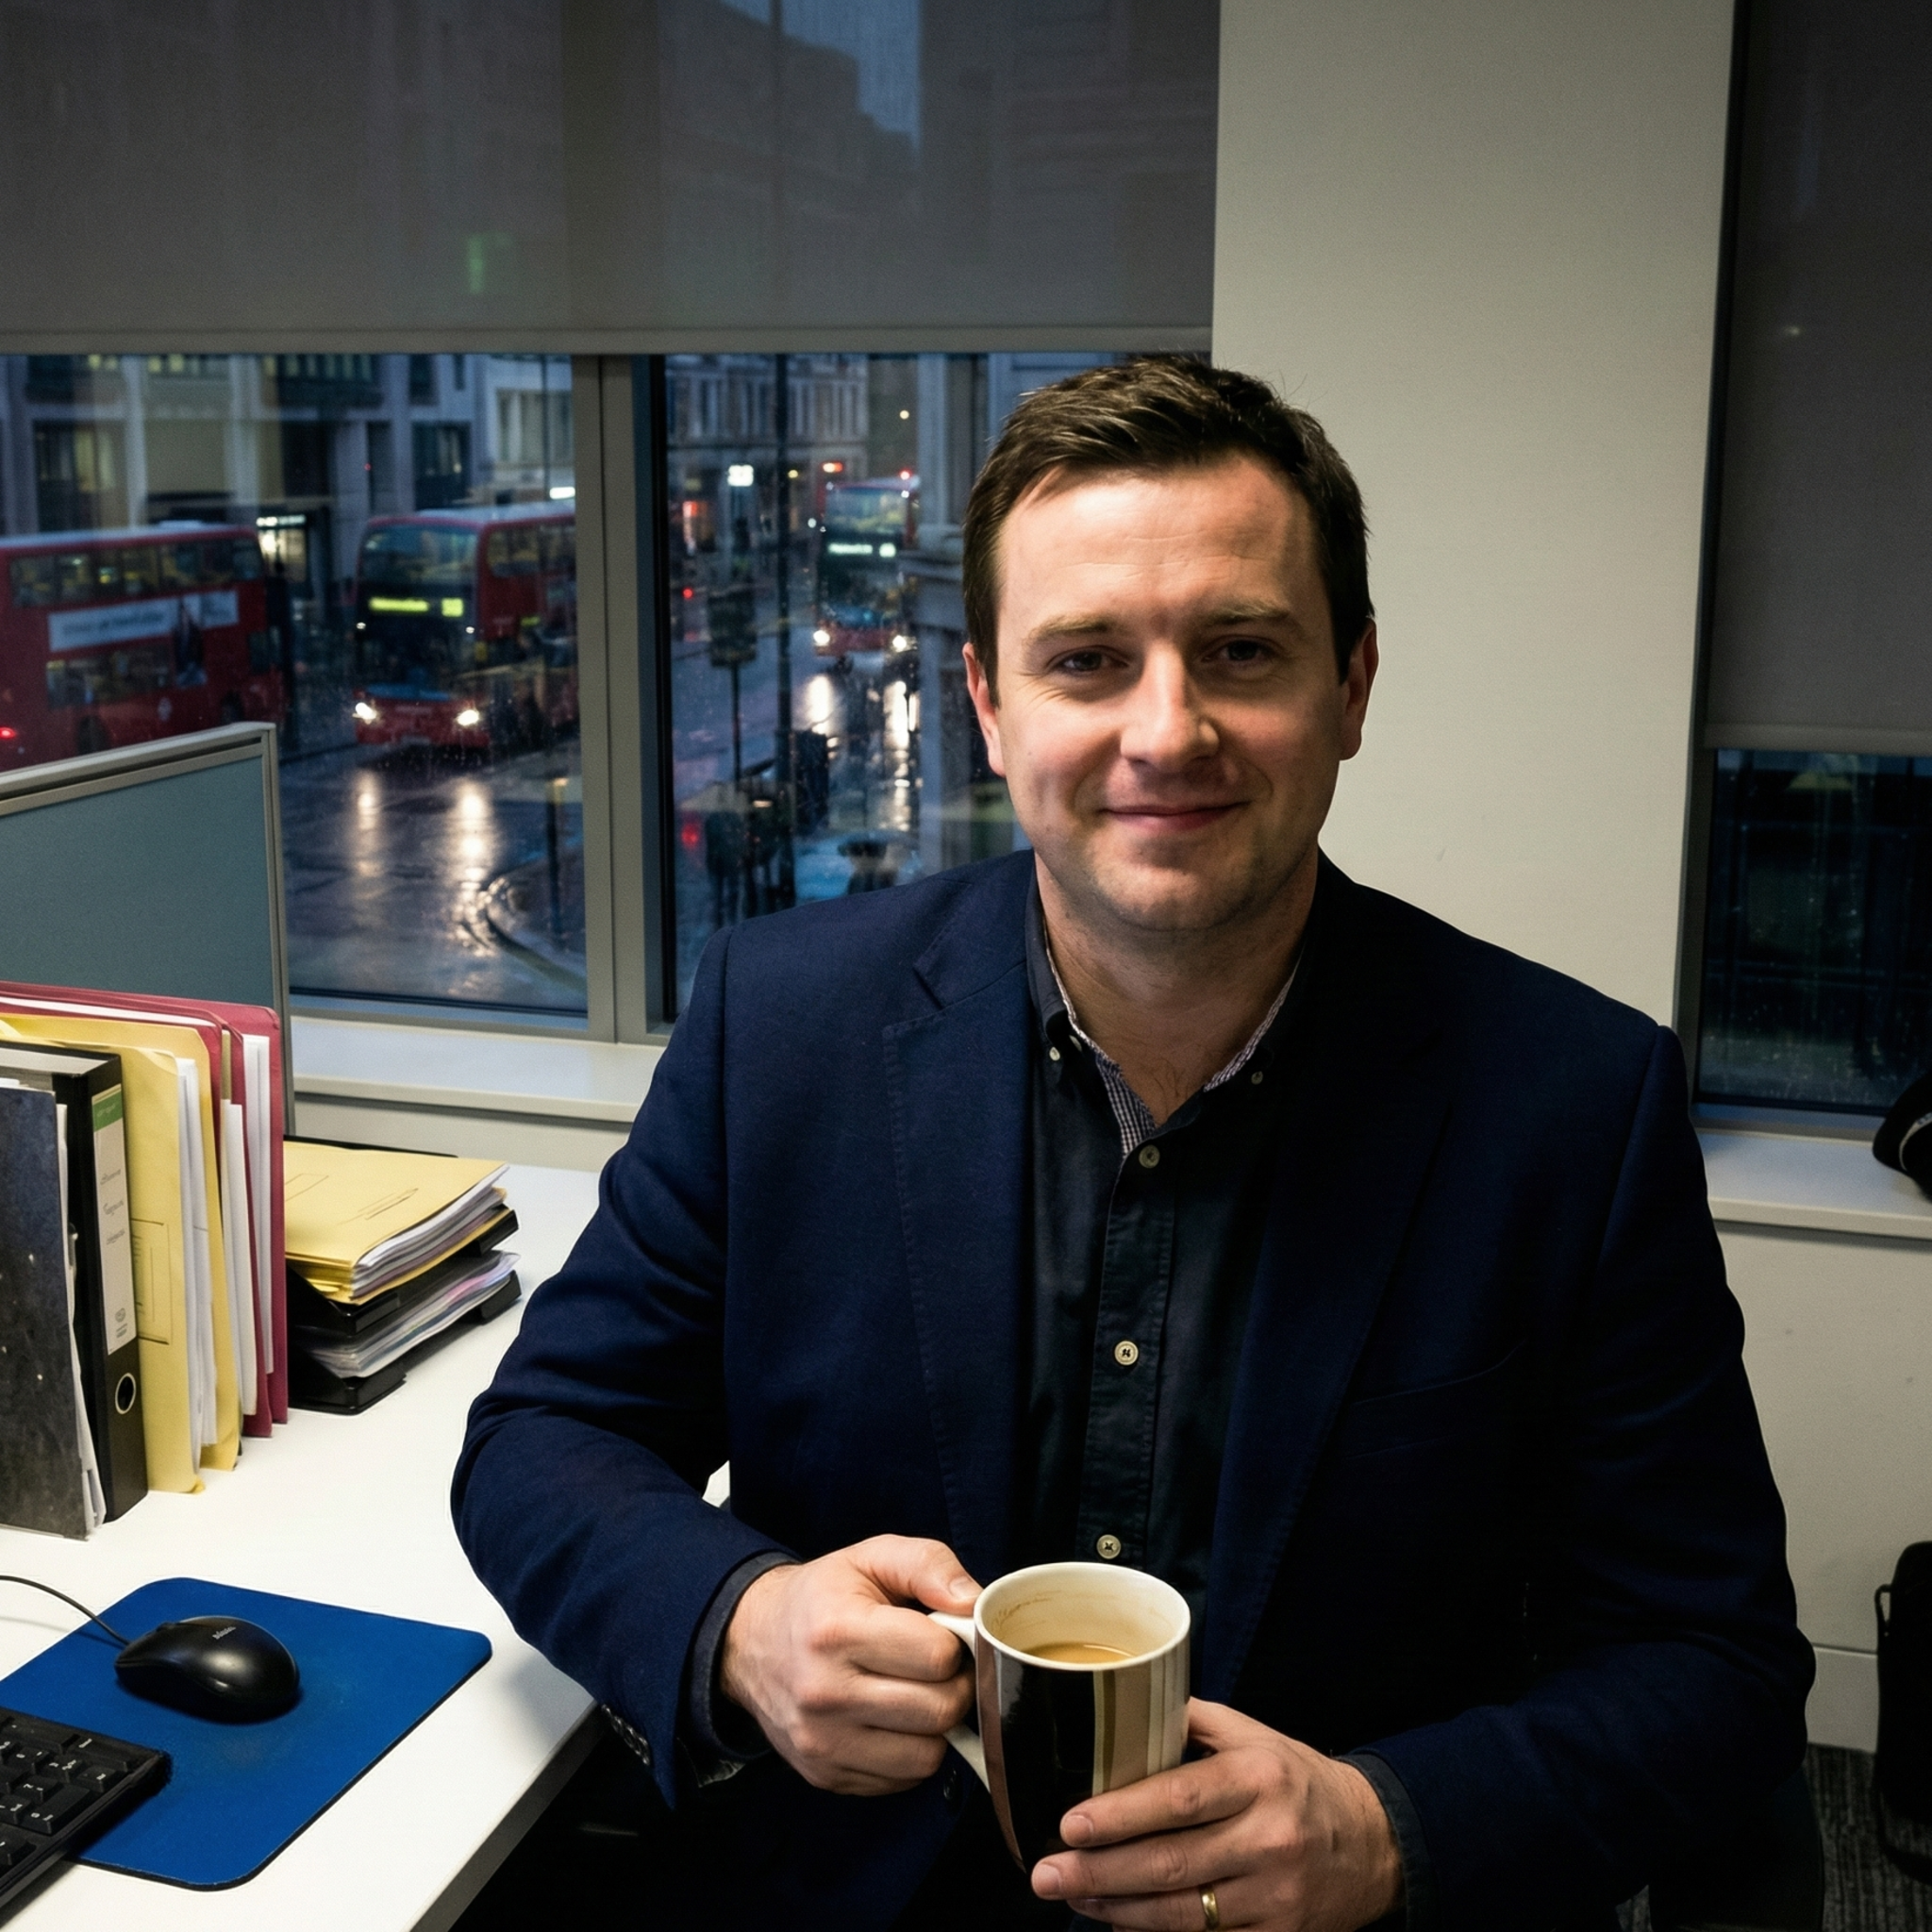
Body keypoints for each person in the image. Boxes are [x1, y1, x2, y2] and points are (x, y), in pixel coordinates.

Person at [453, 358, 1812, 1930]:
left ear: (1353, 686)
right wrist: (743, 1621)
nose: (1167, 731)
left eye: (1240, 650)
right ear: (988, 701)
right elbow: (542, 1440)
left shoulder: (1572, 1106)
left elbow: (1716, 1663)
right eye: (1087, 660)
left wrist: (1388, 1828)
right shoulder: (785, 1028)